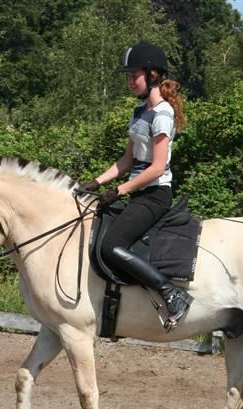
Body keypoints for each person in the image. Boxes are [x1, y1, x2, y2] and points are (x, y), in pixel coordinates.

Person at [80, 42, 192, 328]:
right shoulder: (139, 113)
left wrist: (119, 191)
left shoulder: (163, 114)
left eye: (134, 75)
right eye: (129, 76)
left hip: (155, 196)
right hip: (138, 193)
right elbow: (127, 160)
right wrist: (96, 181)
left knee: (110, 246)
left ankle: (171, 293)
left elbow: (156, 167)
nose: (130, 81)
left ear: (153, 75)